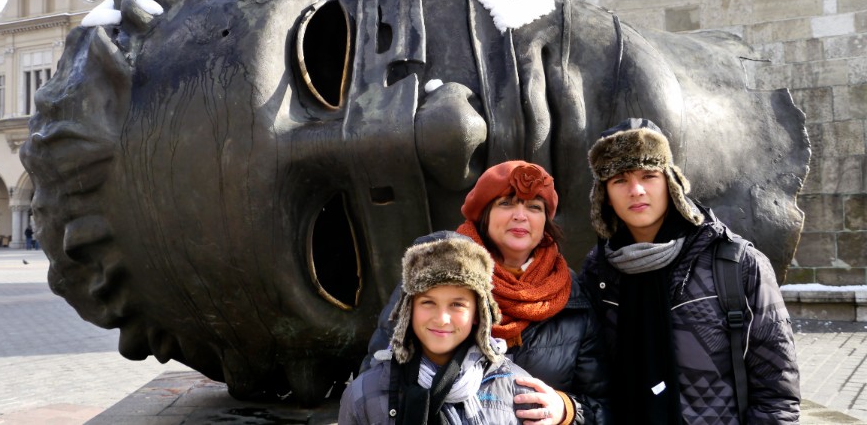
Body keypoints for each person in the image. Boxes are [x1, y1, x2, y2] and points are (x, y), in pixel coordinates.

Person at [580, 118, 801, 424]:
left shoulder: (736, 264)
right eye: (619, 180)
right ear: (603, 194)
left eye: (649, 175)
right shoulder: (598, 273)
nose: (636, 190)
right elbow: (590, 383)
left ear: (671, 182)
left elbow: (776, 393)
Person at [365, 161, 610, 424]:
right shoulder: (432, 275)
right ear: (484, 215)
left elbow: (603, 406)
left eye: (534, 207)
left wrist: (567, 410)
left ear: (545, 221)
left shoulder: (570, 294)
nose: (520, 216)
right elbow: (377, 382)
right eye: (506, 203)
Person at [339, 230, 538, 424]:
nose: (442, 319)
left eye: (457, 304)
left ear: (478, 313)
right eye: (428, 302)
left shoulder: (518, 391)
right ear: (409, 309)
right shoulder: (363, 395)